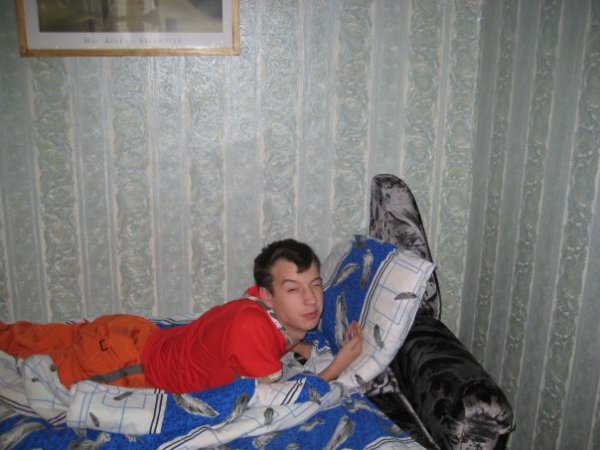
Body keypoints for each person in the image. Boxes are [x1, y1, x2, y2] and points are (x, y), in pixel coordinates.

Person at [0, 239, 363, 394]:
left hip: (130, 333)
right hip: (126, 362)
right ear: (267, 295)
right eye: (293, 289)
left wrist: (298, 347)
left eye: (315, 284)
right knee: (35, 377)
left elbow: (273, 340)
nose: (311, 299)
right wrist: (339, 365)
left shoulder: (258, 308)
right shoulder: (252, 327)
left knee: (23, 336)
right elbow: (281, 400)